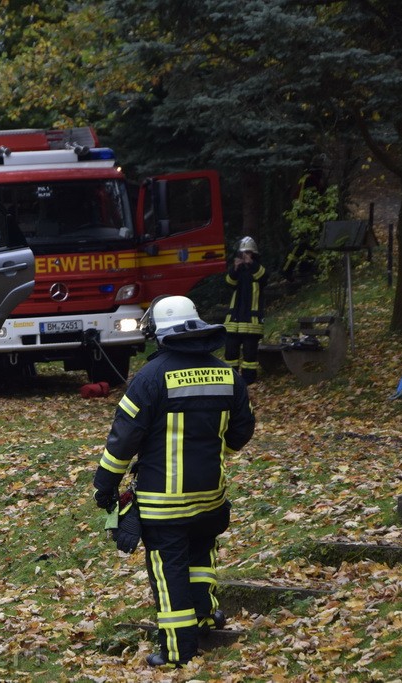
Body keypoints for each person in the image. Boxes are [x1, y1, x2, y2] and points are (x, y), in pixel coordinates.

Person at [93, 295, 255, 669]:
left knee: (169, 572)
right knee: (200, 558)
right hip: (211, 498)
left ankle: (178, 650)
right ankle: (205, 617)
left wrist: (105, 484)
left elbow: (122, 440)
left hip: (164, 504)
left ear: (160, 332)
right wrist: (221, 449)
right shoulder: (226, 373)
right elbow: (242, 429)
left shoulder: (150, 377)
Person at [223, 236, 267, 384]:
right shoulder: (238, 269)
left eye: (248, 252)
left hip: (251, 319)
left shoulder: (258, 268)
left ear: (253, 253)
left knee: (249, 352)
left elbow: (264, 278)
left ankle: (248, 379)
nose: (245, 255)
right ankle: (231, 379)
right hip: (234, 319)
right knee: (230, 350)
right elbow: (229, 283)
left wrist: (251, 264)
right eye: (243, 253)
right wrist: (235, 268)